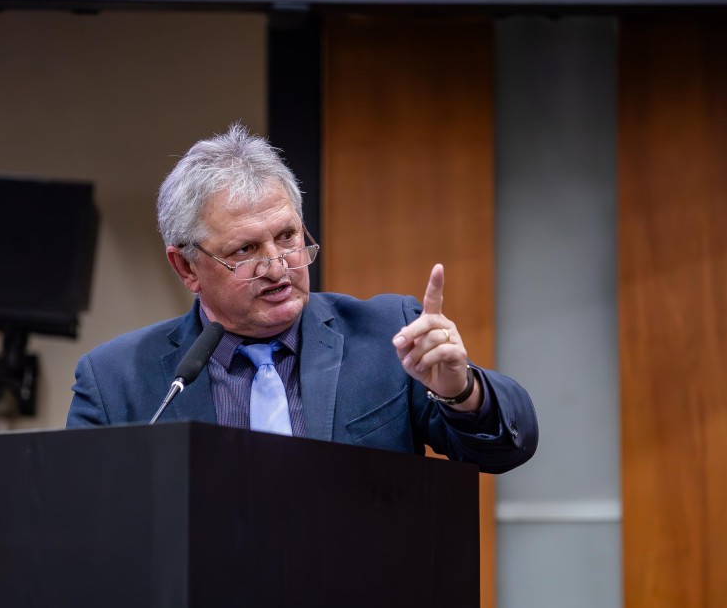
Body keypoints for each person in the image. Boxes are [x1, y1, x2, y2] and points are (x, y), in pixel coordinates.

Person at [67, 124, 537, 473]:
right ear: (186, 267)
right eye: (245, 250)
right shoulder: (116, 382)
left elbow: (505, 452)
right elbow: (81, 520)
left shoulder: (388, 336)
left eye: (287, 236)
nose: (277, 267)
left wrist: (462, 392)